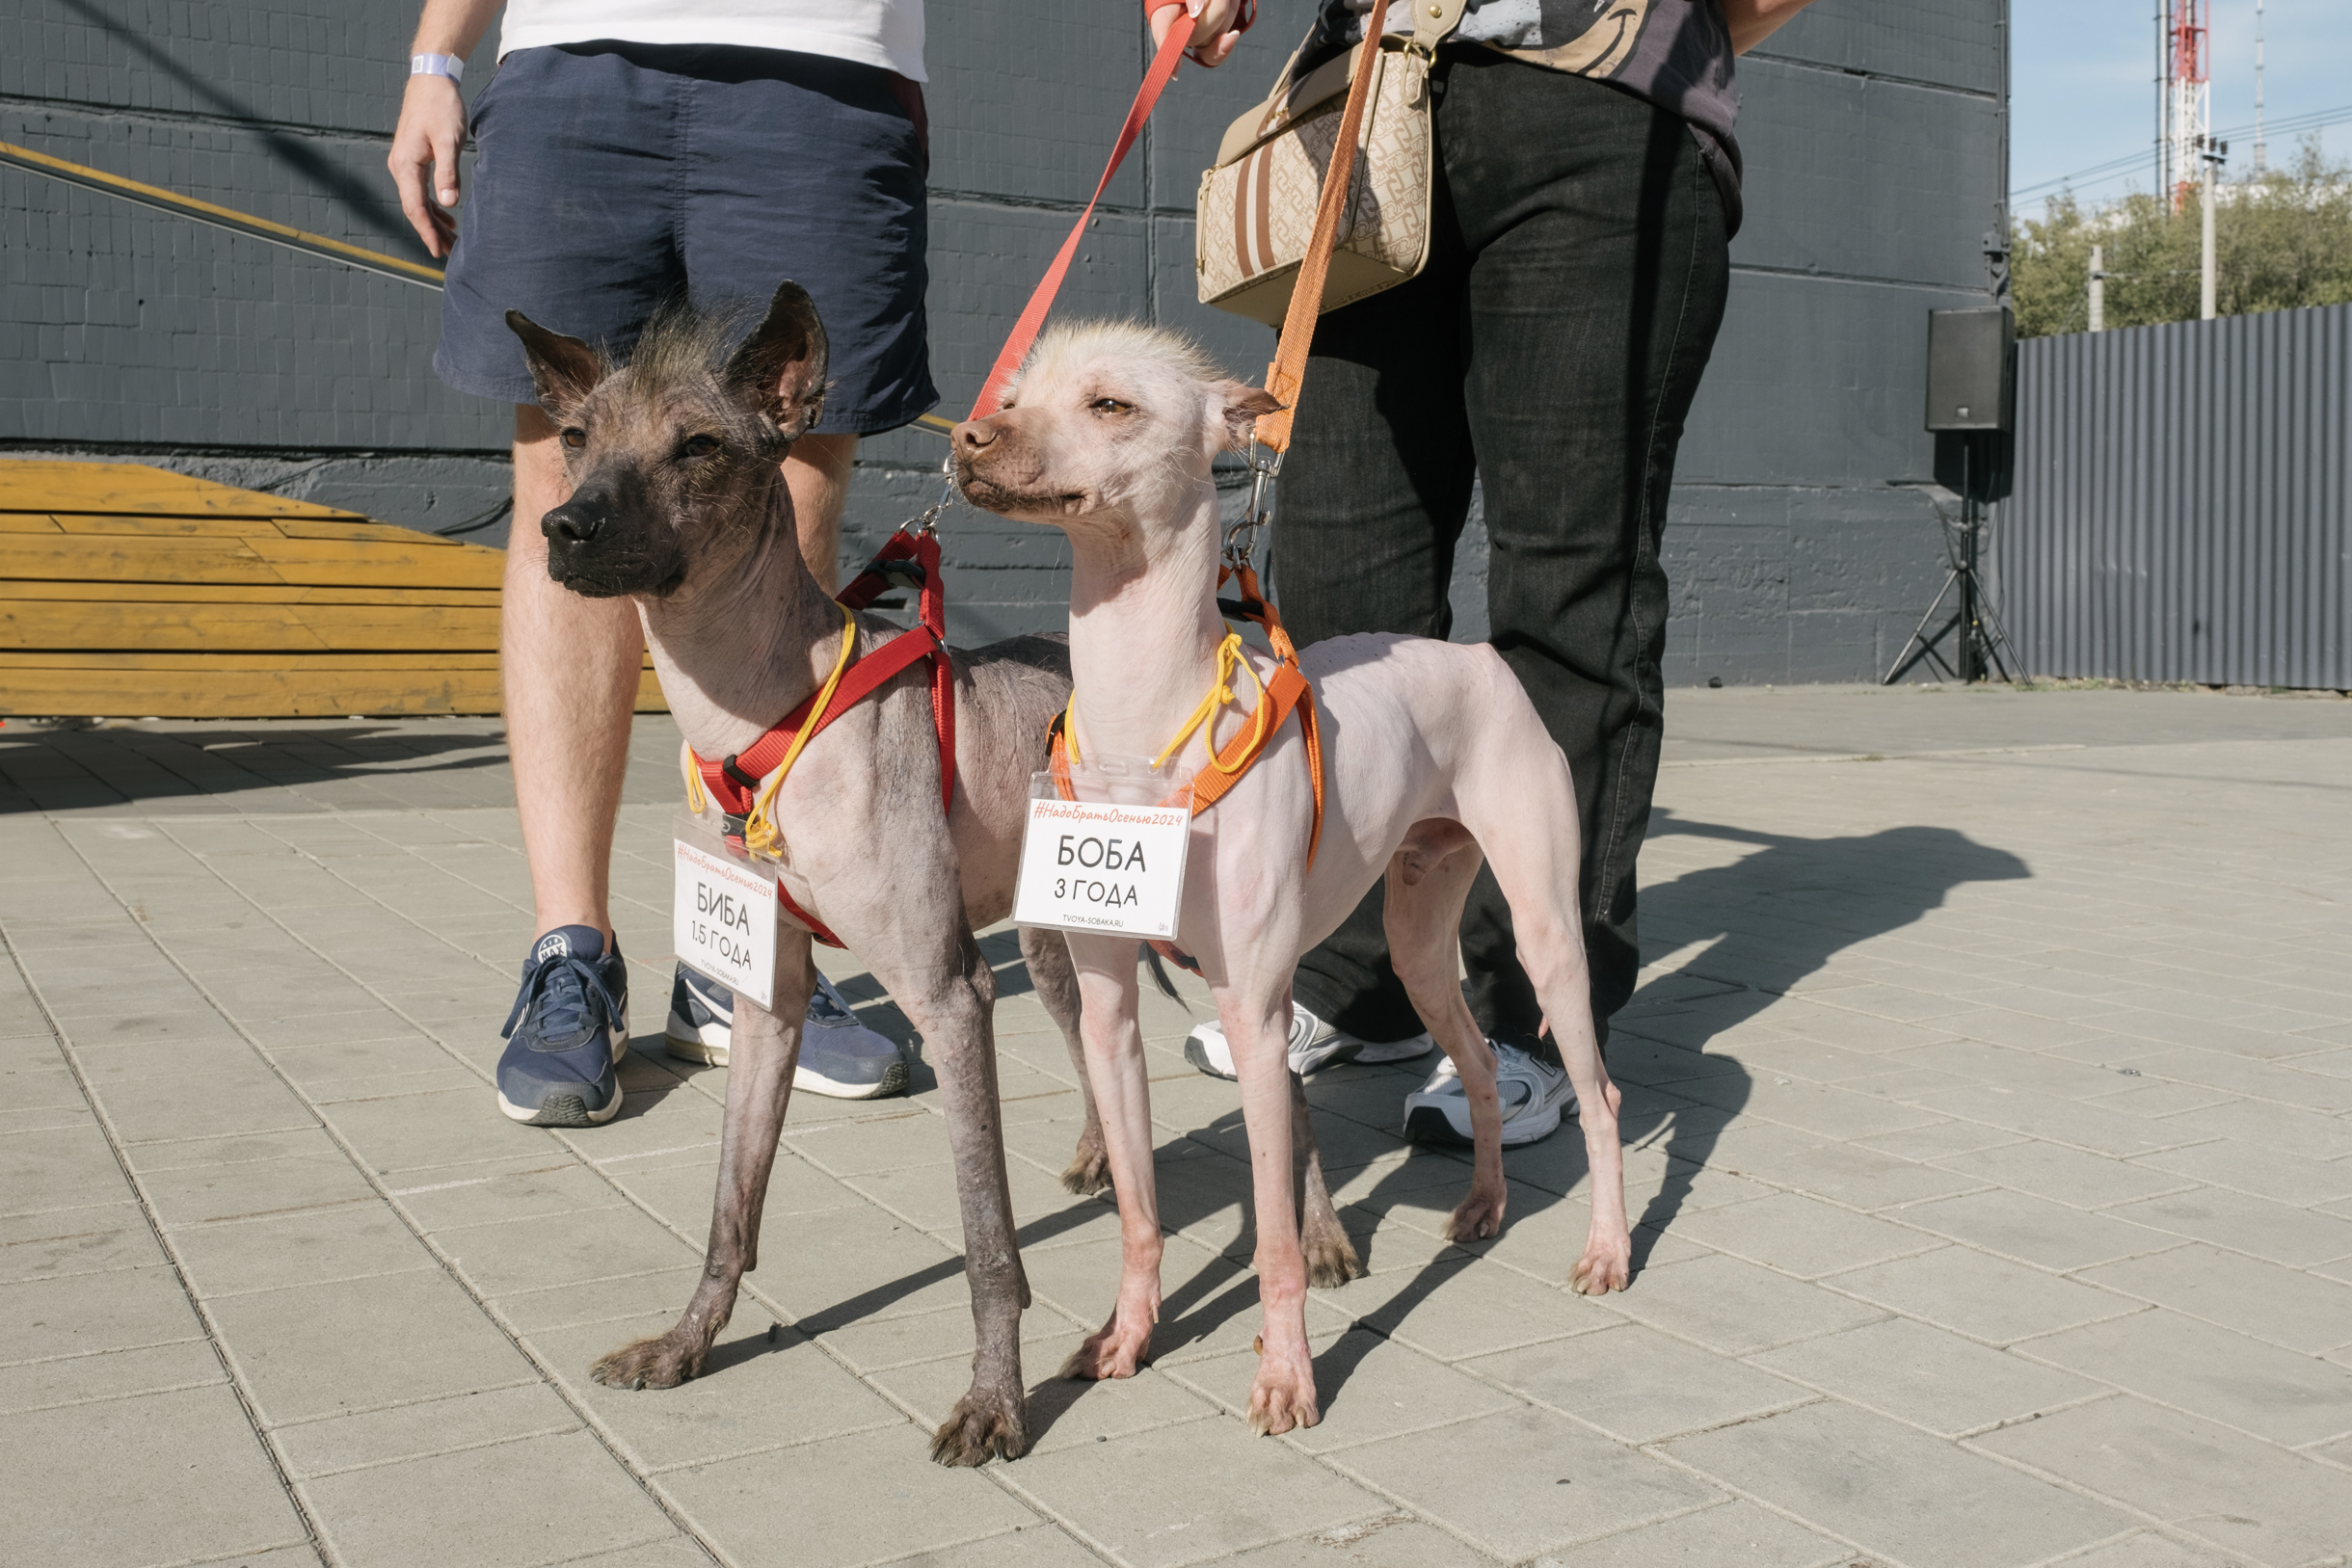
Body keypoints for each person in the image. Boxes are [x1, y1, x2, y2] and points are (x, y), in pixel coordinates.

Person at [389, 0, 1247, 1128]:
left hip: (827, 61)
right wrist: (435, 53)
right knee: (577, 479)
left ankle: (748, 950)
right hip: (573, 56)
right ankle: (572, 949)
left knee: (782, 481)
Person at [1183, 0, 1819, 1148]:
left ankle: (1530, 1016)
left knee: (1569, 590)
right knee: (1340, 594)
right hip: (1363, 114)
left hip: (1600, 110)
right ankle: (1353, 980)